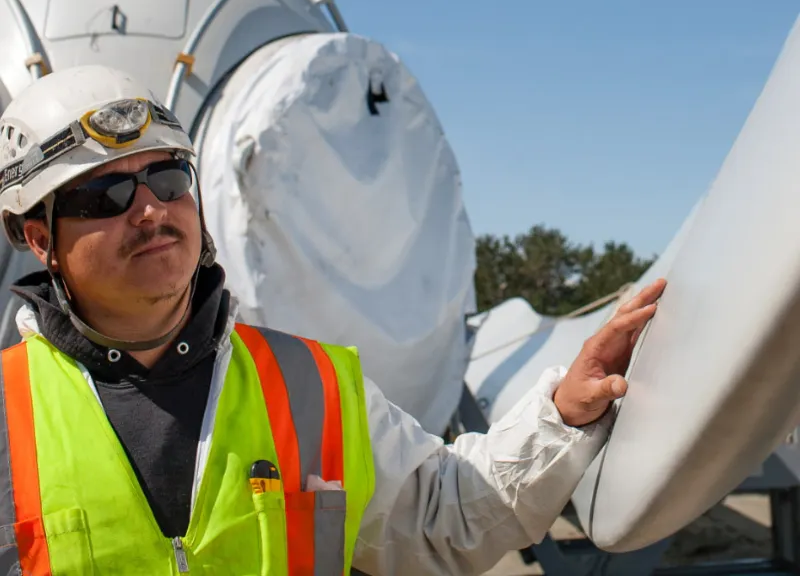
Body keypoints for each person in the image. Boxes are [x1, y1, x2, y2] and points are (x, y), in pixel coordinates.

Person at [0, 64, 666, 575]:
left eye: (169, 179)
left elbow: (444, 516)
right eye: (108, 192)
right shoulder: (6, 411)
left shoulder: (308, 386)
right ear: (40, 238)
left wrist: (563, 414)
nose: (150, 210)